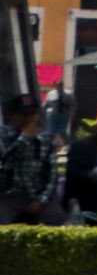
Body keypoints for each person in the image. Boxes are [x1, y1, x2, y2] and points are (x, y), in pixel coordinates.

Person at [3, 94, 63, 225]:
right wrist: (24, 139)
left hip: (37, 194)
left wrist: (41, 199)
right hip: (8, 195)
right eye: (22, 114)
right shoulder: (3, 136)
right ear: (12, 116)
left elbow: (53, 174)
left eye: (31, 114)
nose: (27, 119)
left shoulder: (46, 139)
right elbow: (4, 165)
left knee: (57, 220)